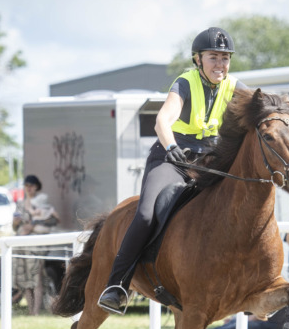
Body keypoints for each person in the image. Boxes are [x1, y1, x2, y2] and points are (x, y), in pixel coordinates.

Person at [97, 27, 247, 314]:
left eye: (225, 58)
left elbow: (260, 106)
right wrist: (171, 146)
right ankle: (116, 285)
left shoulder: (234, 86)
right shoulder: (184, 82)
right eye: (213, 57)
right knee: (145, 214)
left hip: (208, 162)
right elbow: (162, 121)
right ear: (198, 59)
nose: (220, 64)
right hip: (172, 158)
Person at [13, 174, 53, 315]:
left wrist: (31, 226)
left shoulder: (43, 203)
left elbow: (49, 221)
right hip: (20, 245)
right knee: (24, 281)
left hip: (36, 246)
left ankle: (36, 311)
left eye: (31, 185)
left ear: (36, 187)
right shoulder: (20, 204)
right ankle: (31, 310)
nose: (29, 188)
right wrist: (16, 223)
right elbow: (15, 227)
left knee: (36, 279)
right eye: (26, 185)